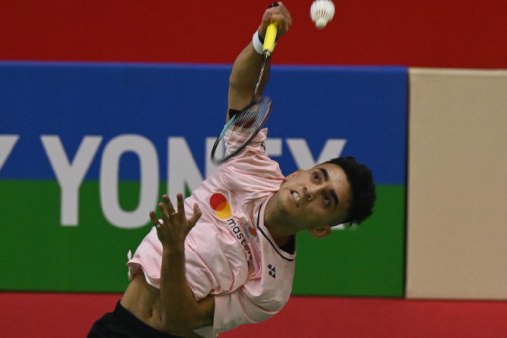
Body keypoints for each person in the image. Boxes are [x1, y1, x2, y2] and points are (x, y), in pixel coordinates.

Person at [88, 2, 375, 337]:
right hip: (118, 324)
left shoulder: (272, 287)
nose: (311, 190)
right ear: (299, 171)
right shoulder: (250, 162)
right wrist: (262, 40)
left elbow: (182, 321)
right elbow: (242, 86)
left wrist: (175, 249)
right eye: (317, 176)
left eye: (327, 200)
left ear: (322, 229)